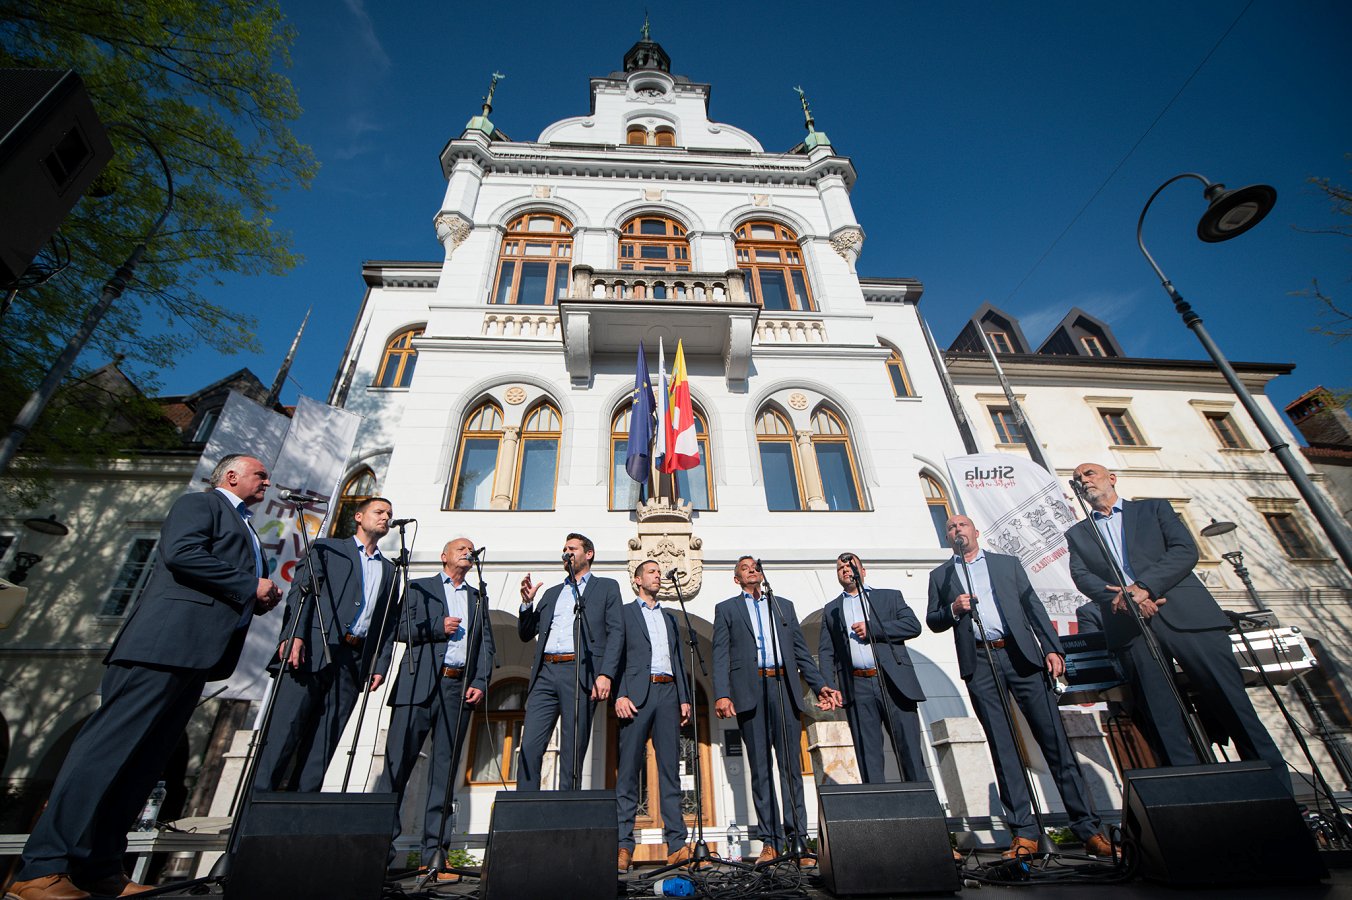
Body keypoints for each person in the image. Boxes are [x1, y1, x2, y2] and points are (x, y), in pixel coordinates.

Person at [6, 454, 283, 900]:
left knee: (142, 766)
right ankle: (41, 869)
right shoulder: (201, 504)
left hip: (198, 655)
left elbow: (224, 578)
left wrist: (257, 596)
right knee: (104, 754)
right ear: (232, 476)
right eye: (260, 475)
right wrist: (249, 585)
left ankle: (100, 870)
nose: (267, 482)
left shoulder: (246, 524)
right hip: (162, 646)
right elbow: (182, 553)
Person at [1065, 461, 1285, 775]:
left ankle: (1274, 783)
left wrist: (1144, 588)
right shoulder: (1078, 533)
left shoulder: (1153, 509)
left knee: (1229, 700)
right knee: (1160, 714)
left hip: (1186, 616)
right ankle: (1191, 789)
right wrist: (1125, 599)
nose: (1084, 480)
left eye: (1089, 473)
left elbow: (1184, 550)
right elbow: (1081, 576)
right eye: (1077, 478)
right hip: (1130, 627)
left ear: (1111, 478)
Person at [926, 515, 1112, 859]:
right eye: (950, 527)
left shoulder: (1006, 564)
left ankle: (1088, 829)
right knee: (1002, 747)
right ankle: (1024, 833)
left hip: (1020, 655)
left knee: (1054, 741)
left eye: (962, 525)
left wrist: (1052, 648)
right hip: (980, 661)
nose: (956, 530)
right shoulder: (942, 575)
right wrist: (952, 609)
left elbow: (1032, 607)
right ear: (947, 537)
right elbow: (933, 620)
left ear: (975, 532)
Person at [253, 496, 397, 792]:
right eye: (379, 511)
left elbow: (388, 622)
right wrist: (293, 635)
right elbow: (301, 592)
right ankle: (254, 807)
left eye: (389, 514)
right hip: (311, 651)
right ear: (358, 516)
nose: (386, 517)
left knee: (324, 742)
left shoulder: (389, 569)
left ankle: (300, 808)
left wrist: (380, 663)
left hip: (353, 661)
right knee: (283, 733)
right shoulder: (327, 549)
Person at [375, 537, 494, 881]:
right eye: (461, 548)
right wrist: (436, 628)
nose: (468, 552)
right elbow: (398, 629)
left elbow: (486, 644)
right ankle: (378, 852)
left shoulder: (477, 597)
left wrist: (481, 680)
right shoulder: (420, 588)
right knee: (397, 769)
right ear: (444, 556)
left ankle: (435, 856)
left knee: (444, 774)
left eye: (471, 549)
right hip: (418, 685)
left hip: (458, 689)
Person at [713, 556, 840, 863]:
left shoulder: (783, 606)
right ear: (737, 579)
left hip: (784, 687)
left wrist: (820, 684)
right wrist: (722, 694)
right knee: (760, 770)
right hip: (750, 691)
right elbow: (720, 654)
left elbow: (800, 651)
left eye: (755, 567)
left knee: (791, 769)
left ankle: (799, 842)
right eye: (745, 568)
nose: (752, 570)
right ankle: (770, 841)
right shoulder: (727, 609)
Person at [517, 533, 622, 790]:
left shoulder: (606, 587)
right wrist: (527, 603)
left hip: (579, 671)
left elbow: (616, 632)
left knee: (573, 747)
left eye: (572, 548)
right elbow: (526, 633)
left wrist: (605, 674)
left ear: (589, 554)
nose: (566, 552)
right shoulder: (552, 593)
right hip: (545, 672)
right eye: (564, 548)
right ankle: (525, 804)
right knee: (530, 744)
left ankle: (568, 804)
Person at [817, 552, 927, 782]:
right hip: (857, 686)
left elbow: (913, 626)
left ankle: (922, 800)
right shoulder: (832, 609)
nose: (845, 570)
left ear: (863, 571)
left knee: (909, 748)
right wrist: (828, 686)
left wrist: (873, 629)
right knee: (868, 755)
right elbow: (827, 652)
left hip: (893, 681)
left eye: (850, 565)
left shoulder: (889, 597)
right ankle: (879, 802)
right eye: (840, 568)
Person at [614, 560, 692, 873]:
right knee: (628, 772)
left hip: (668, 693)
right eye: (651, 572)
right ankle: (623, 845)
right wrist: (620, 694)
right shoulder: (624, 613)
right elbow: (615, 655)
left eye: (659, 572)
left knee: (670, 770)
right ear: (637, 580)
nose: (658, 576)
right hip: (636, 696)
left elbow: (678, 659)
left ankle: (677, 846)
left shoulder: (670, 617)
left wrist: (684, 697)